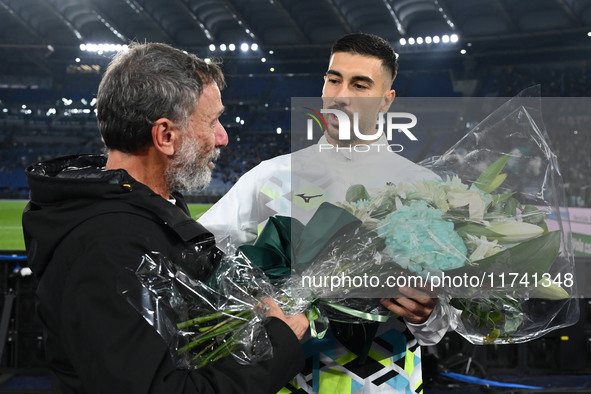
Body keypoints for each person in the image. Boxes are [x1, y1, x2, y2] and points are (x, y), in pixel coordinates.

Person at [22, 42, 308, 394]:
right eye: (213, 121)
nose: (223, 137)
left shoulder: (145, 212)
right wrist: (277, 345)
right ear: (166, 137)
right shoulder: (108, 247)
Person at [199, 33, 451, 393]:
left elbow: (440, 320)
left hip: (386, 378)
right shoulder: (271, 176)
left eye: (360, 85)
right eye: (334, 79)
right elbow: (201, 253)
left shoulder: (424, 188)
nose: (341, 95)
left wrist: (430, 312)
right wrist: (253, 299)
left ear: (385, 101)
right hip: (287, 372)